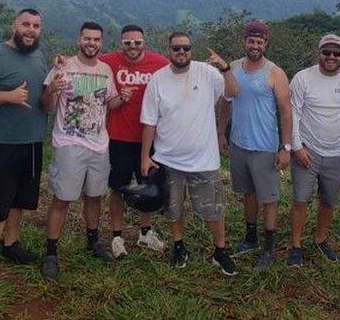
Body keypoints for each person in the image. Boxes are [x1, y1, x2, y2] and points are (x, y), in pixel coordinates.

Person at [140, 32, 239, 276]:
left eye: (186, 48)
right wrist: (145, 156)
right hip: (168, 158)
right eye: (176, 49)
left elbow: (233, 92)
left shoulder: (206, 73)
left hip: (204, 159)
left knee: (213, 209)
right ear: (169, 51)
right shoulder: (158, 79)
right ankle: (179, 245)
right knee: (174, 208)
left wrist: (225, 68)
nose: (181, 52)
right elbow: (150, 122)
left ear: (191, 50)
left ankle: (220, 251)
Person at [0, 8, 49, 284]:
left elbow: (44, 97)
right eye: (25, 24)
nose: (30, 30)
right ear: (14, 25)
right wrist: (9, 96)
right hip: (2, 141)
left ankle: (11, 244)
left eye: (36, 26)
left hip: (33, 140)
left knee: (21, 198)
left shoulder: (39, 57)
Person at [39, 22, 125, 279]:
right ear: (79, 40)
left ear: (101, 42)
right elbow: (46, 106)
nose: (92, 43)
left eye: (96, 39)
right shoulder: (63, 67)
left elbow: (110, 102)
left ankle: (92, 241)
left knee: (94, 196)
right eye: (87, 38)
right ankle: (51, 252)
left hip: (99, 144)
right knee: (62, 199)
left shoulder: (105, 69)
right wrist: (52, 89)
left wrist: (125, 98)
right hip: (69, 144)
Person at [287, 34, 340, 266]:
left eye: (336, 53)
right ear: (319, 53)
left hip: (337, 154)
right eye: (327, 52)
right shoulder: (303, 78)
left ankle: (321, 239)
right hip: (307, 152)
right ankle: (295, 245)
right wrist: (297, 147)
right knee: (300, 200)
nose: (331, 57)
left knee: (328, 201)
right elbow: (292, 113)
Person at [217, 21, 292, 270]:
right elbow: (226, 103)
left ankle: (268, 248)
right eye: (251, 41)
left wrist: (286, 147)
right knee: (248, 193)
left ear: (266, 44)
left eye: (260, 42)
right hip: (239, 143)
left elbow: (286, 112)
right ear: (244, 42)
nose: (255, 46)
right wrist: (221, 132)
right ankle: (250, 236)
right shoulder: (234, 68)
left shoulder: (275, 73)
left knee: (269, 198)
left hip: (265, 146)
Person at [98, 24, 168, 258]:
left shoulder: (159, 63)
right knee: (117, 187)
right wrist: (62, 60)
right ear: (121, 43)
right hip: (119, 136)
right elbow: (85, 62)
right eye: (128, 43)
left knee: (147, 185)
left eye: (137, 42)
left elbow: (180, 72)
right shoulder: (110, 61)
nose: (133, 47)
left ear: (144, 42)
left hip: (149, 137)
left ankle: (145, 232)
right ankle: (117, 236)